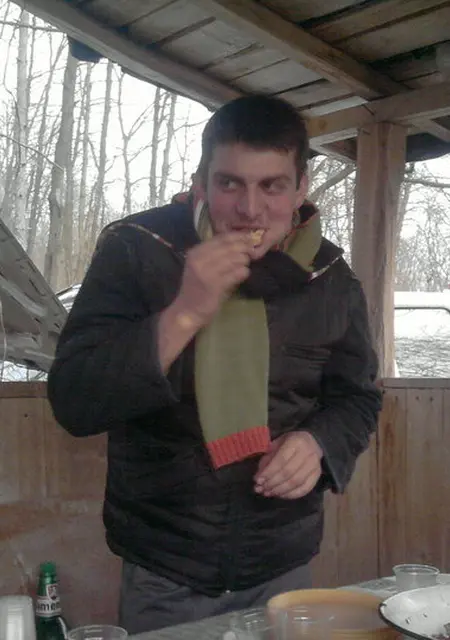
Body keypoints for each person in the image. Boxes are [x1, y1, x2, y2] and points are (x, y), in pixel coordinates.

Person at [48, 95, 381, 634]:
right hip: (164, 567)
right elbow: (75, 402)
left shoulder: (331, 277)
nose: (250, 209)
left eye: (272, 186)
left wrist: (319, 442)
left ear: (301, 188)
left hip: (284, 560)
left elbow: (358, 398)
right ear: (201, 182)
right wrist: (184, 313)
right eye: (229, 183)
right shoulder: (138, 249)